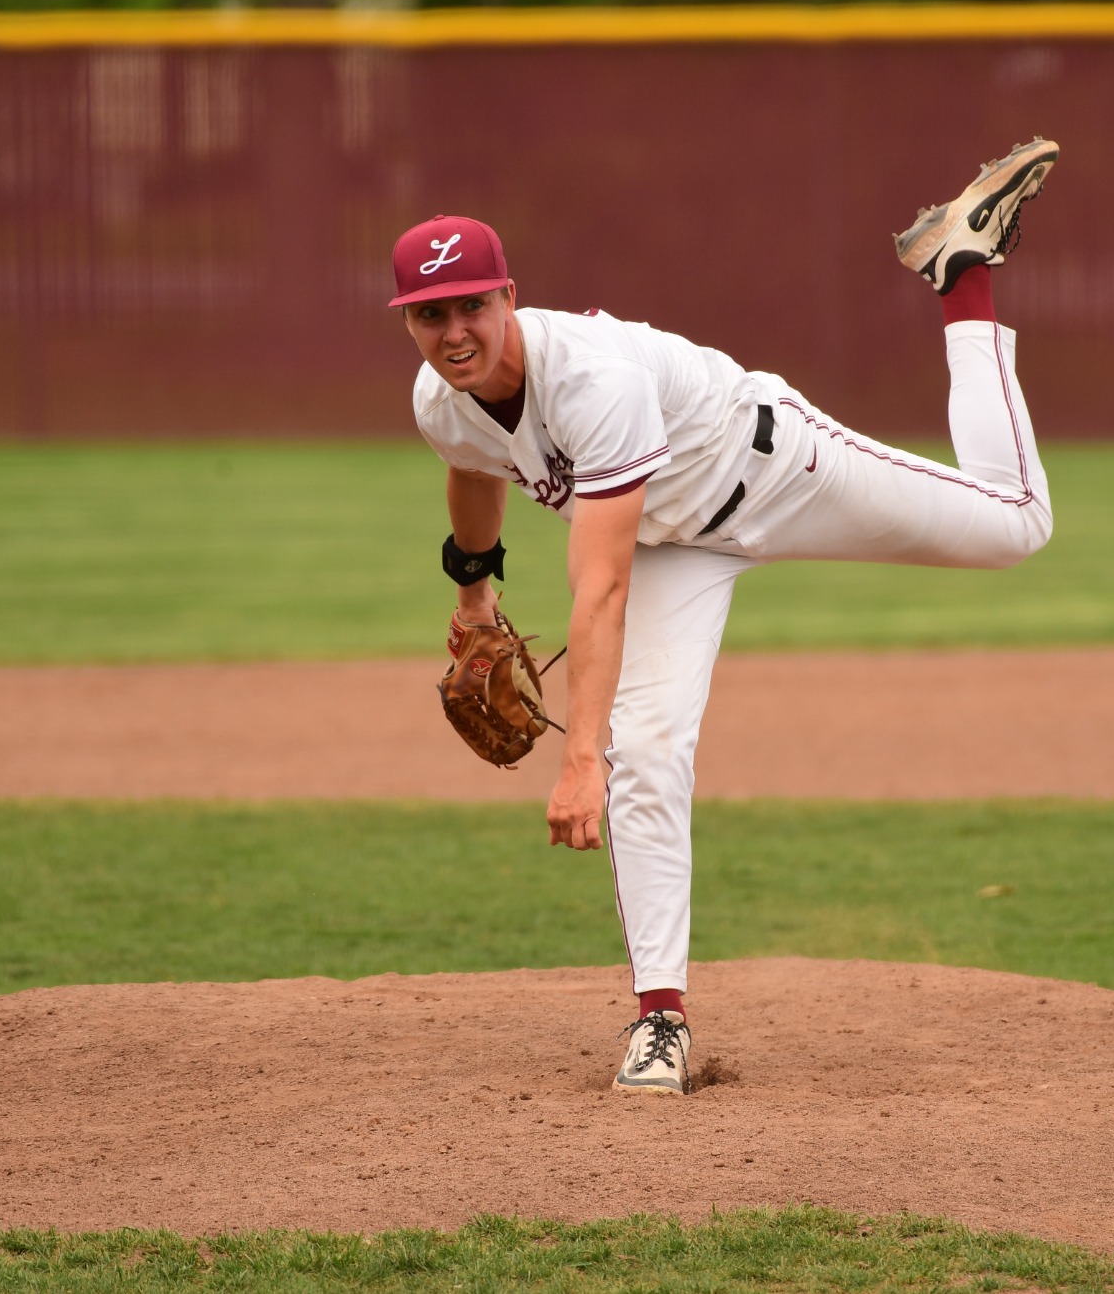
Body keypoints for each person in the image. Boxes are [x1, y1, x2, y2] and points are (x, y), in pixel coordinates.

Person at [395, 140, 1059, 1095]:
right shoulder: (439, 400)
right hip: (674, 543)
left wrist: (579, 760)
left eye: (473, 306)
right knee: (651, 746)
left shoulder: (592, 383)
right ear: (408, 321)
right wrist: (472, 592)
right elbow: (474, 465)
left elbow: (601, 589)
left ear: (510, 298)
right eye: (431, 314)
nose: (456, 331)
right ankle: (659, 1019)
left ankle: (960, 273)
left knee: (1014, 525)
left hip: (772, 471)